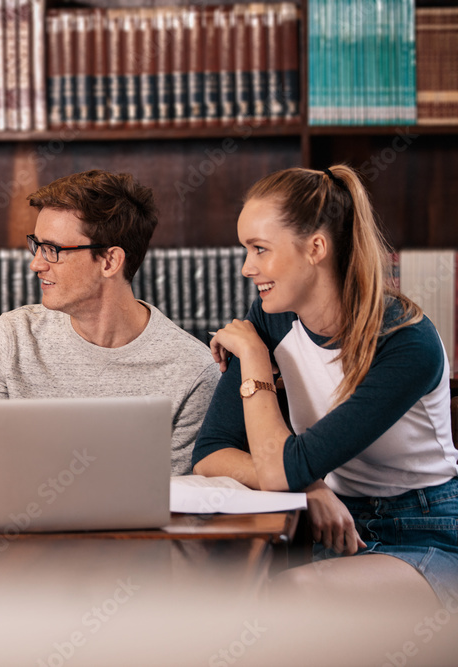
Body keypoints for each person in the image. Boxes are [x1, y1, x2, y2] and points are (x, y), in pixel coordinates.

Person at [192, 165, 458, 608]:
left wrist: (255, 357)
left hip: (428, 531)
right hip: (331, 520)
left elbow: (278, 470)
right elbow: (211, 453)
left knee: (291, 597)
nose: (246, 268)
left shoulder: (407, 342)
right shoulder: (272, 319)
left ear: (316, 247)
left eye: (259, 249)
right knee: (227, 587)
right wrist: (309, 486)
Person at [0, 169, 221, 477]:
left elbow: (178, 494)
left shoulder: (193, 370)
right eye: (37, 245)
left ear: (110, 261)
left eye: (52, 250)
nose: (36, 264)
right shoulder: (9, 338)